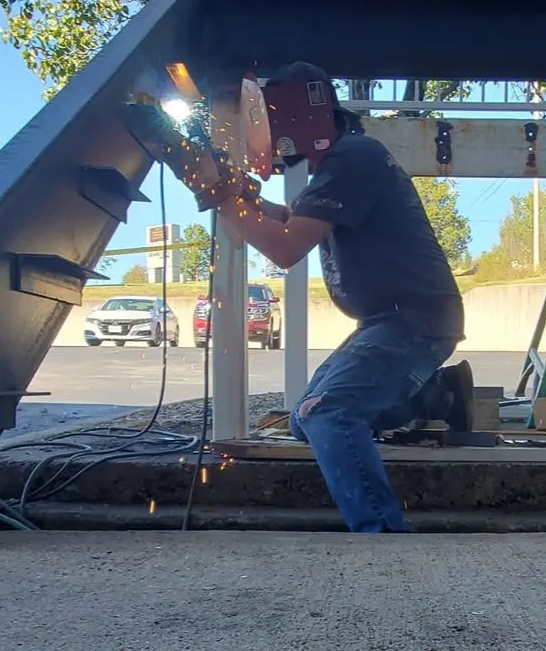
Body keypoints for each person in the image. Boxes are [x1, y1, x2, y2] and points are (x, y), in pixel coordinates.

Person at [199, 61, 474, 533]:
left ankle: (382, 535)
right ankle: (438, 397)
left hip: (411, 319)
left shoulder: (352, 160)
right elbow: (291, 219)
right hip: (397, 318)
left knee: (327, 412)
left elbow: (285, 248)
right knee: (303, 422)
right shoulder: (346, 161)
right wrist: (245, 198)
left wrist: (224, 198)